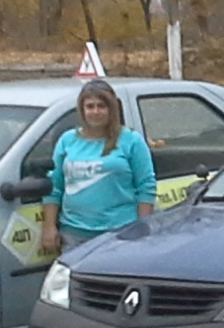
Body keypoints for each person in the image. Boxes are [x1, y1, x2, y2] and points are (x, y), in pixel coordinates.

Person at [40, 80, 156, 255]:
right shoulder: (67, 140)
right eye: (90, 106)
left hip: (120, 234)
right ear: (82, 110)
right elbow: (54, 186)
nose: (95, 112)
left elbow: (146, 186)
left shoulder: (131, 141)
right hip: (73, 234)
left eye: (102, 106)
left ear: (112, 109)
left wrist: (142, 227)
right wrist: (49, 227)